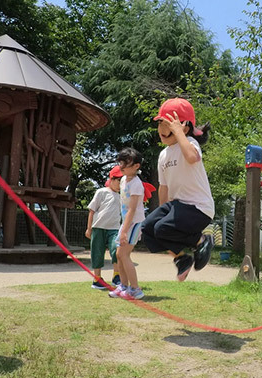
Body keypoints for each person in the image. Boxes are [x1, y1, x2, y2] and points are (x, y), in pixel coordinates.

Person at [141, 98, 215, 282]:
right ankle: (181, 258)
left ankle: (201, 240)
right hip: (178, 206)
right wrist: (163, 213)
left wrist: (180, 134)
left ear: (185, 128)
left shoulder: (190, 143)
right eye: (160, 124)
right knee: (149, 228)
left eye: (168, 125)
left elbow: (191, 157)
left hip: (199, 208)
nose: (162, 130)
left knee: (162, 228)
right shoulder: (163, 155)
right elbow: (163, 187)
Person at [108, 148, 146, 300]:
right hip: (126, 223)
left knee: (123, 254)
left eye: (126, 163)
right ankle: (123, 286)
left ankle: (135, 289)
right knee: (118, 255)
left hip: (134, 223)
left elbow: (132, 209)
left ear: (136, 166)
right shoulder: (123, 180)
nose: (122, 166)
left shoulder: (136, 184)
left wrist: (124, 230)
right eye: (121, 162)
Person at [85, 165, 122, 289]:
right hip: (98, 227)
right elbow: (92, 210)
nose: (120, 184)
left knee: (116, 250)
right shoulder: (101, 192)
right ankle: (97, 279)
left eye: (123, 181)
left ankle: (116, 276)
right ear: (111, 179)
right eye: (118, 180)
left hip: (114, 228)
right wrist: (89, 228)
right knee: (97, 252)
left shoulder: (122, 196)